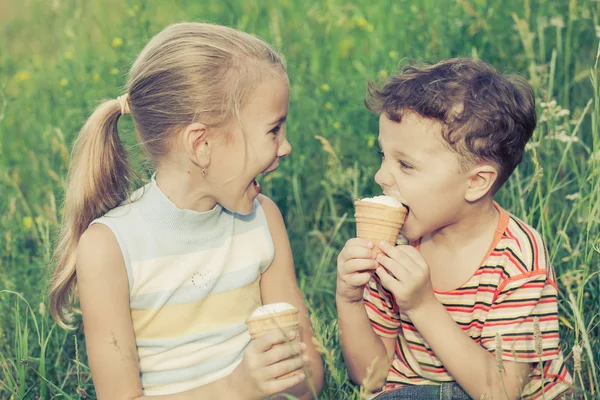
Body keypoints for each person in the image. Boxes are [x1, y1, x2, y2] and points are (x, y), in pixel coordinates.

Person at [49, 22, 323, 400]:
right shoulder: (109, 248)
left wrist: (290, 372)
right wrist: (236, 388)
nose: (286, 146)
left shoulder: (264, 220)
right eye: (273, 130)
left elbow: (309, 379)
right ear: (202, 144)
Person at [336, 58, 572, 399]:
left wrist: (421, 306)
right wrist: (349, 299)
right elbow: (371, 377)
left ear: (476, 182)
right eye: (382, 156)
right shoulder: (395, 248)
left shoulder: (518, 259)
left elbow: (501, 392)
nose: (381, 176)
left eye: (405, 164)